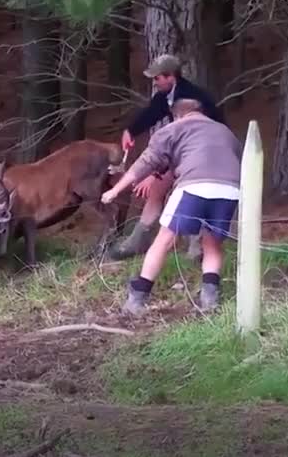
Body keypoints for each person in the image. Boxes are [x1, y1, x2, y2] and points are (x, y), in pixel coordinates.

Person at [101, 98, 241, 314]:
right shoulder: (225, 132)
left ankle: (137, 299)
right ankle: (210, 299)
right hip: (230, 189)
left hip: (194, 185)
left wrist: (115, 190)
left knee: (164, 239)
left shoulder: (173, 128)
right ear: (200, 112)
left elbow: (144, 163)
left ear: (177, 115)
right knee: (212, 244)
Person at [109, 53, 225, 261]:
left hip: (206, 154)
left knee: (188, 192)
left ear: (171, 76)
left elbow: (180, 143)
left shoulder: (190, 98)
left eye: (157, 78)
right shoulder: (165, 97)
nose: (154, 82)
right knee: (156, 191)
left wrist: (155, 173)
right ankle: (138, 241)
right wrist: (130, 131)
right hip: (185, 151)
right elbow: (150, 114)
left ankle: (196, 244)